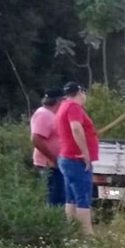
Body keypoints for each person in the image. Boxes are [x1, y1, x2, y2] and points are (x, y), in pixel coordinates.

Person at [54, 81, 98, 236]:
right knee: (83, 196)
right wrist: (85, 153)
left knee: (71, 197)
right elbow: (76, 128)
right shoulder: (73, 107)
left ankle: (71, 230)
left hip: (66, 157)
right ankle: (87, 233)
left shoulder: (64, 105)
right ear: (80, 92)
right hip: (76, 159)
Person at [30, 88, 65, 207]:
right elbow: (36, 139)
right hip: (48, 164)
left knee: (59, 195)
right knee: (53, 196)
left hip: (53, 163)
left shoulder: (51, 114)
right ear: (59, 101)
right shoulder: (43, 115)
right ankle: (52, 222)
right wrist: (53, 158)